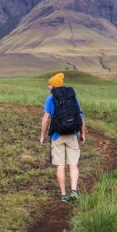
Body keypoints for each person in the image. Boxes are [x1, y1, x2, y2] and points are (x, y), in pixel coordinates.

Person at [39, 72, 85, 202]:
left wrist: (42, 135)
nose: (48, 86)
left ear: (53, 85)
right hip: (72, 134)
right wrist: (82, 134)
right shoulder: (72, 97)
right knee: (73, 164)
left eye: (49, 84)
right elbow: (80, 115)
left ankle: (64, 194)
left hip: (56, 136)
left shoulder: (50, 99)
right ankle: (74, 191)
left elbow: (45, 119)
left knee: (60, 165)